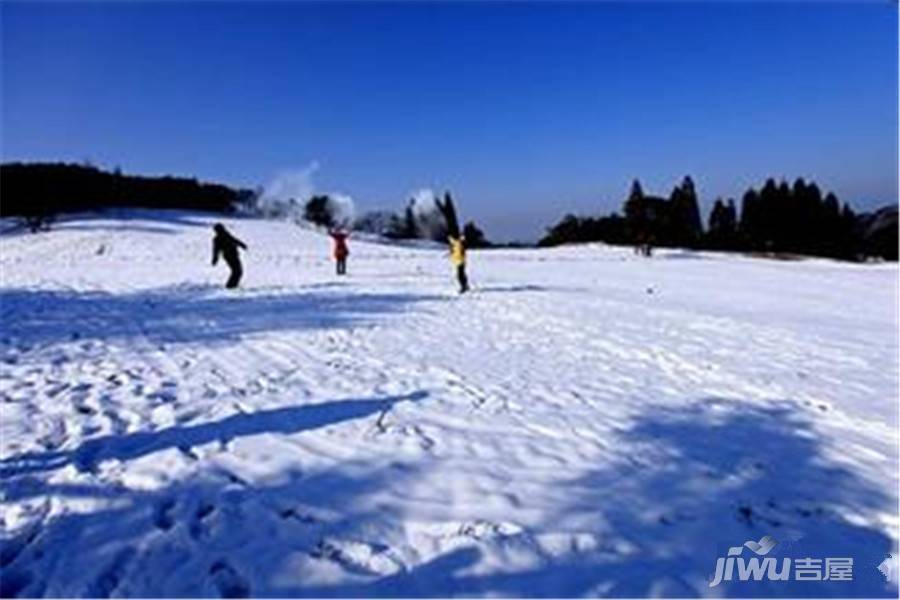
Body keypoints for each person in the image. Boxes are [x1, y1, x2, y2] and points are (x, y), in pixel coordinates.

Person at [211, 223, 247, 289]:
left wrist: (242, 245)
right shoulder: (218, 238)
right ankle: (230, 286)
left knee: (237, 271)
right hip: (230, 256)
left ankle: (232, 285)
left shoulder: (226, 235)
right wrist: (215, 259)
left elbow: (234, 240)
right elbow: (216, 250)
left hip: (233, 255)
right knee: (237, 271)